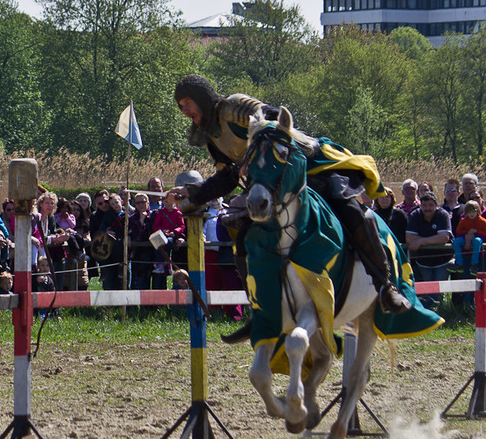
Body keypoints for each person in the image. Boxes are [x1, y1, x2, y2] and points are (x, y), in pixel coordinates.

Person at [173, 74, 410, 344]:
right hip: (272, 185)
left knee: (351, 211)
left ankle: (385, 287)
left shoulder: (233, 107)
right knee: (240, 233)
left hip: (307, 164)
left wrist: (253, 155)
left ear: (202, 98)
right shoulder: (212, 139)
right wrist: (194, 194)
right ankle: (260, 309)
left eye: (188, 103)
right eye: (181, 106)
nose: (185, 111)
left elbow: (273, 121)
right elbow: (227, 178)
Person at [406, 191, 453, 307]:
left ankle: (440, 313)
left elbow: (444, 237)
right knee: (427, 290)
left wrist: (421, 241)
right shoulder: (415, 215)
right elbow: (409, 238)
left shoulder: (443, 215)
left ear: (436, 205)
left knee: (437, 291)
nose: (427, 208)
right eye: (424, 205)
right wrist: (433, 239)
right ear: (420, 205)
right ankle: (430, 313)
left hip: (443, 260)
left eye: (430, 205)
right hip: (423, 260)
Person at [453, 200, 486, 273]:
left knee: (476, 241)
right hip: (465, 238)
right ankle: (459, 263)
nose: (471, 214)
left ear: (478, 211)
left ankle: (474, 264)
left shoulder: (483, 221)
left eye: (473, 211)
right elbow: (458, 232)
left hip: (478, 239)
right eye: (469, 212)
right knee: (456, 241)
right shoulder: (463, 221)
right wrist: (467, 234)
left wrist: (476, 233)